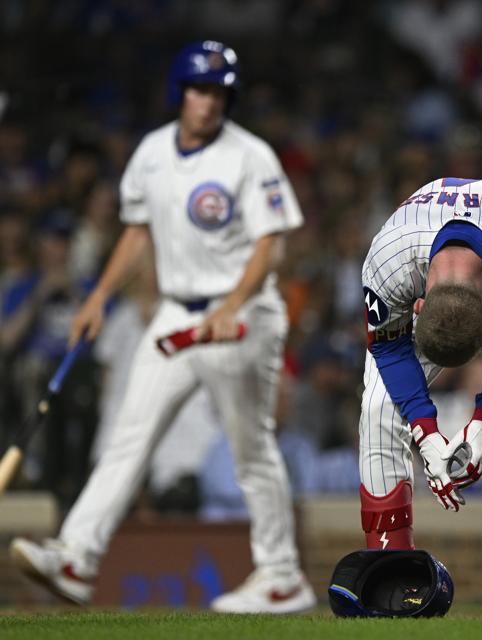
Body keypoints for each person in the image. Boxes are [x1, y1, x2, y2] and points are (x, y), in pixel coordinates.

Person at [9, 40, 316, 614]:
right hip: (174, 310)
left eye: (219, 91)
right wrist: (99, 296)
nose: (209, 101)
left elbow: (272, 245)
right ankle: (76, 557)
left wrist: (234, 303)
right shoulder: (151, 152)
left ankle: (281, 576)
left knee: (250, 448)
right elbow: (136, 231)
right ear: (180, 92)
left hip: (241, 316)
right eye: (199, 89)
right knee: (129, 434)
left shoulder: (250, 156)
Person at [359, 177, 482, 619]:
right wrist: (425, 431)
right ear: (417, 306)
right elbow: (388, 348)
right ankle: (392, 572)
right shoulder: (388, 262)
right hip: (425, 256)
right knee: (377, 408)